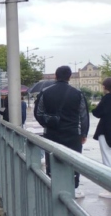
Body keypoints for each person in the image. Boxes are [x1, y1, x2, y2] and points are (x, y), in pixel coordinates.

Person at [34, 66, 90, 195]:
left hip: (52, 133)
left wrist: (47, 124)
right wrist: (83, 133)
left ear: (55, 75)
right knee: (73, 159)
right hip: (72, 133)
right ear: (70, 77)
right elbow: (84, 116)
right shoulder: (77, 93)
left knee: (53, 159)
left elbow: (39, 112)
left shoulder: (45, 92)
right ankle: (74, 187)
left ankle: (53, 185)